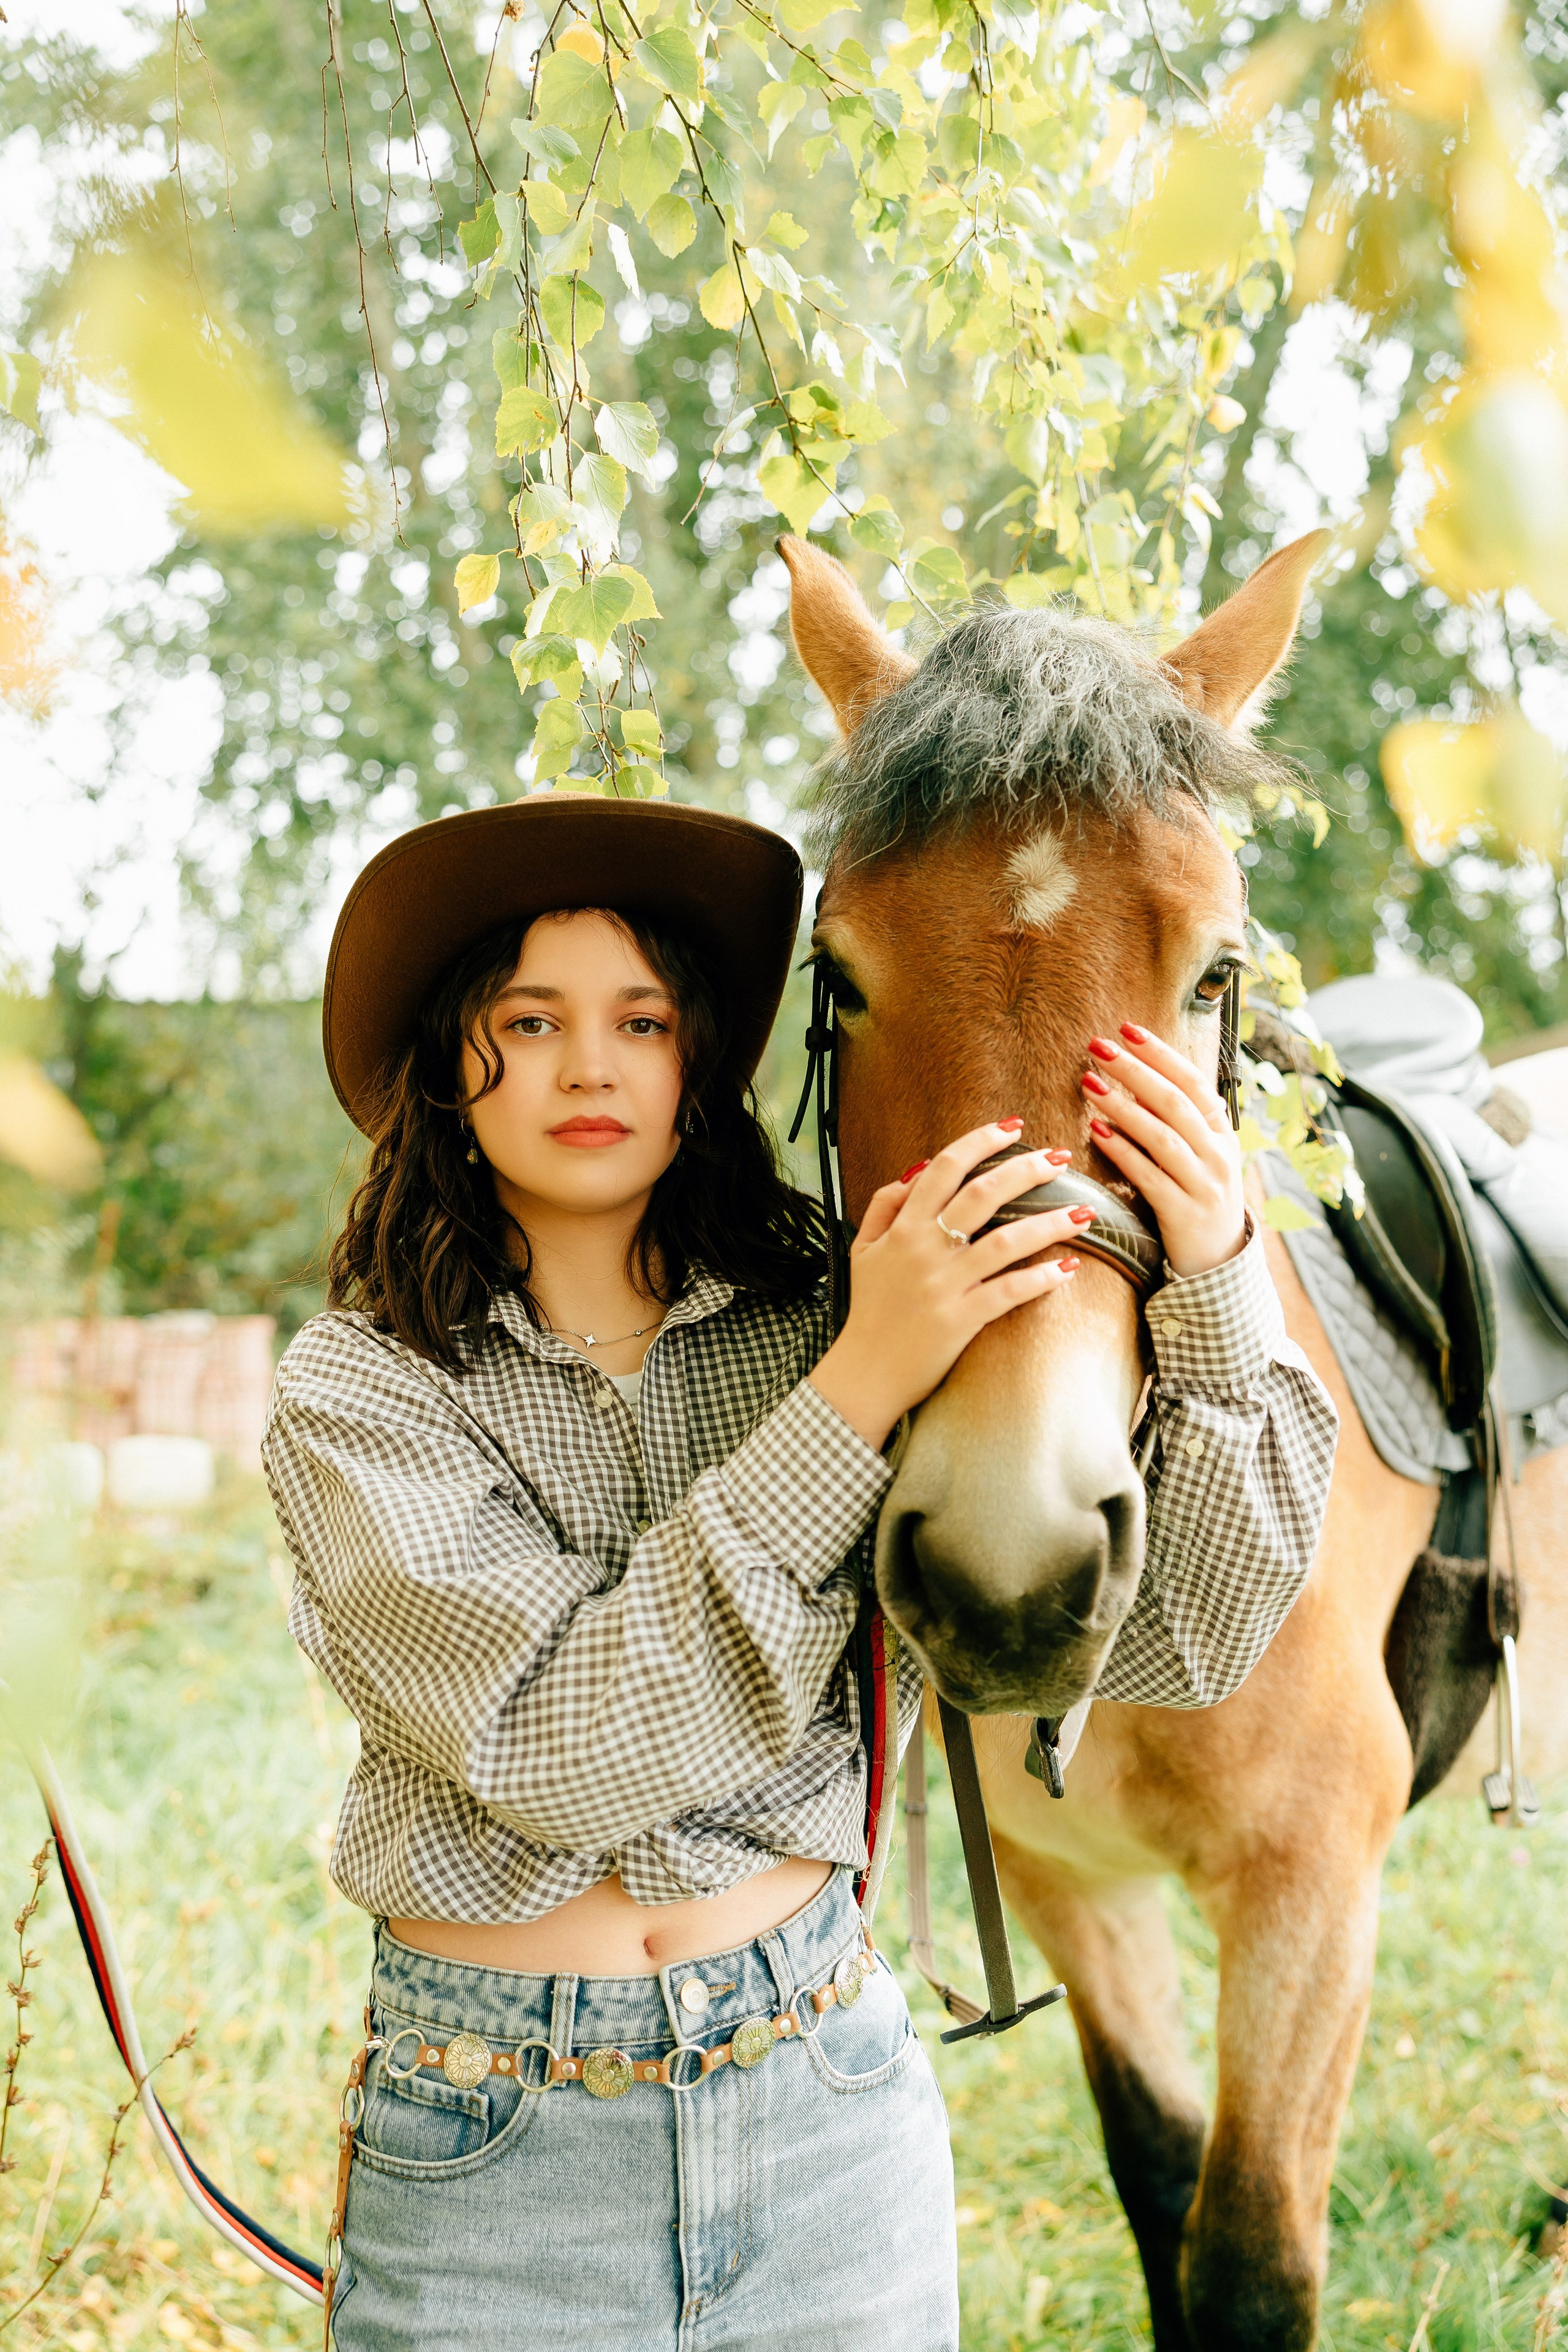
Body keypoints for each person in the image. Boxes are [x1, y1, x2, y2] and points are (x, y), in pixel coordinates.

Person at [262, 793, 1336, 2352]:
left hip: (822, 2112)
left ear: (697, 1059)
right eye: (528, 1018)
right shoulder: (362, 1395)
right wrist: (851, 1400)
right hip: (499, 2154)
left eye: (638, 1017)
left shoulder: (830, 1315)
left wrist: (1219, 1285)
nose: (588, 1064)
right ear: (447, 1061)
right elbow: (559, 1753)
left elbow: (1180, 1640)